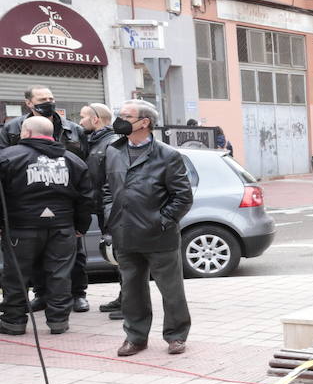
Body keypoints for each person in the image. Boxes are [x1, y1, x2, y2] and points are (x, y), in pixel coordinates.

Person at [94, 100, 193, 356]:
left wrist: (160, 221)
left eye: (126, 115)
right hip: (125, 233)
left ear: (144, 122)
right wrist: (110, 214)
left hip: (159, 236)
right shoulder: (113, 150)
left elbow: (183, 197)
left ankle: (176, 335)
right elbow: (107, 188)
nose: (119, 119)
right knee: (132, 290)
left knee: (171, 291)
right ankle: (135, 337)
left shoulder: (168, 155)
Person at [0, 117, 95, 336]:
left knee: (16, 275)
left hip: (20, 228)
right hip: (62, 228)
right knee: (60, 274)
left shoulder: (7, 157)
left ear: (26, 132)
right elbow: (86, 198)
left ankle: (13, 321)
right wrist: (80, 226)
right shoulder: (73, 160)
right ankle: (58, 321)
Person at [79, 103, 125, 319]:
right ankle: (124, 296)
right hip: (103, 209)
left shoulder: (112, 143)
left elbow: (113, 182)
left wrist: (109, 212)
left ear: (95, 119)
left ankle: (130, 303)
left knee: (123, 257)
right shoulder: (95, 142)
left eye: (83, 117)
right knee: (116, 256)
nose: (80, 122)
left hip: (114, 211)